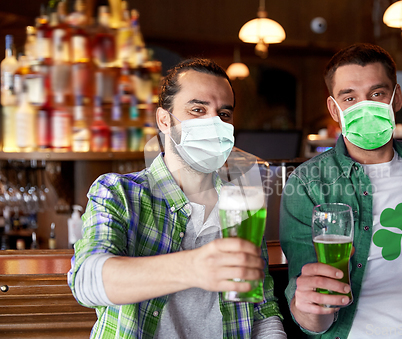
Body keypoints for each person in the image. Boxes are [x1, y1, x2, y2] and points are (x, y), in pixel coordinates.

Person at [68, 58, 286, 339]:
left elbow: (262, 308)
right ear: (164, 120)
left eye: (224, 114)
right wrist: (194, 267)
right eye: (197, 110)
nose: (214, 123)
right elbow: (87, 282)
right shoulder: (119, 192)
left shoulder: (242, 203)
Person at [279, 43, 402, 339]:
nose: (365, 106)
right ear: (334, 109)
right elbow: (308, 302)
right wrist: (308, 308)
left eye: (376, 94)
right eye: (350, 98)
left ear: (396, 98)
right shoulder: (307, 183)